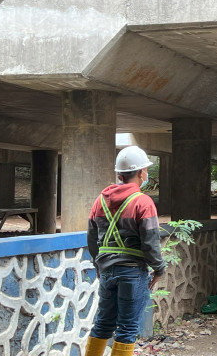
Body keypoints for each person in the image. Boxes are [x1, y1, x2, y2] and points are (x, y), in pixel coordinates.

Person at [85, 146, 167, 356]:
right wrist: (159, 269)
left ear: (120, 174)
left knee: (103, 324)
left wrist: (98, 265)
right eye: (146, 170)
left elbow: (92, 238)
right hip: (131, 272)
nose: (146, 173)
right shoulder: (143, 202)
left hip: (107, 271)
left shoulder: (100, 201)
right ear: (141, 173)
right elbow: (150, 242)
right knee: (127, 328)